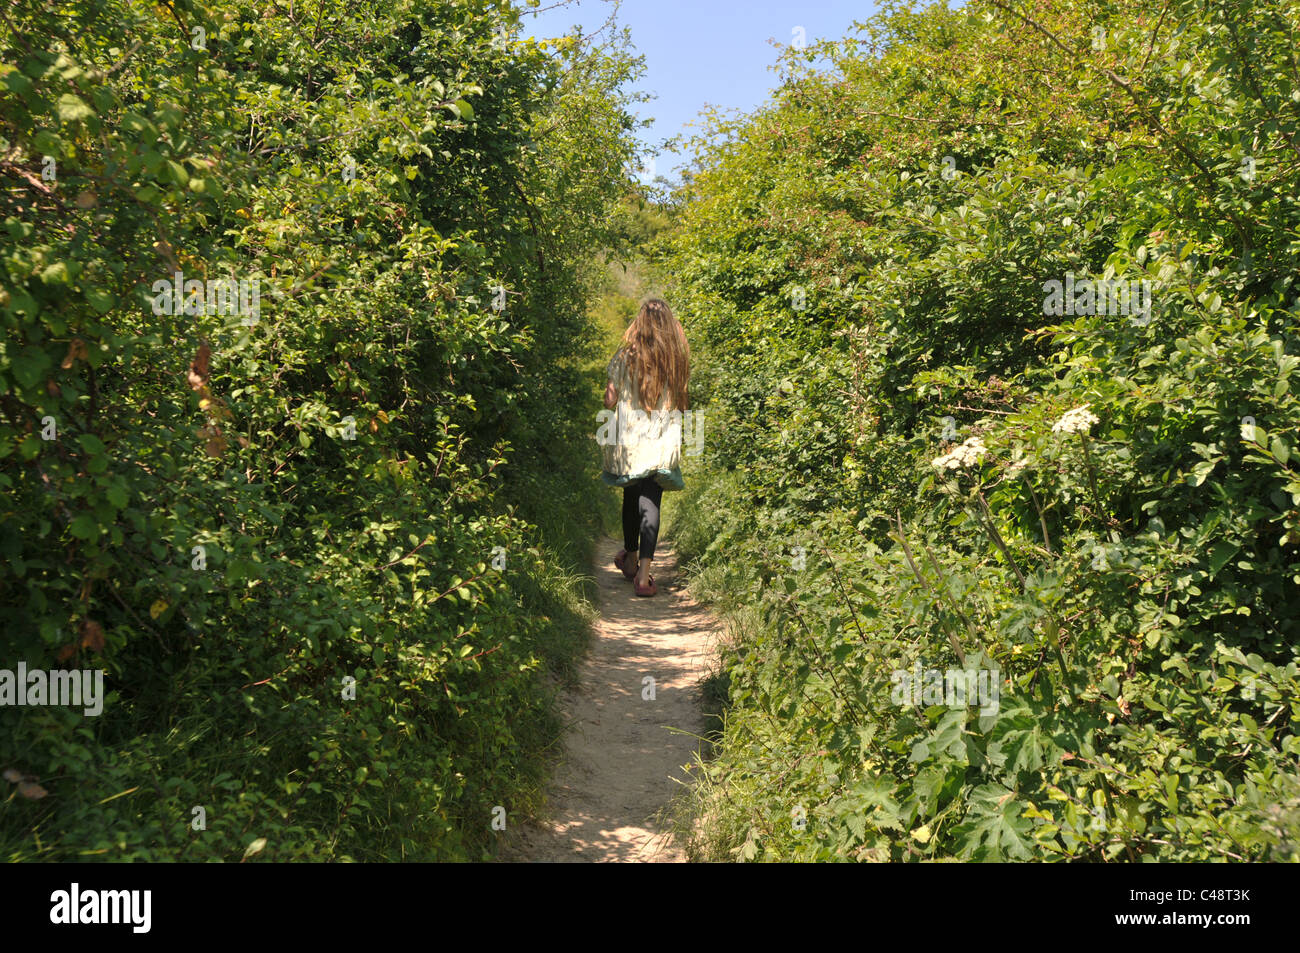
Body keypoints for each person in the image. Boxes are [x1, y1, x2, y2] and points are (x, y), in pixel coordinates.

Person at [600, 299, 690, 597]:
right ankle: (643, 575)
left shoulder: (625, 357)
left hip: (630, 441)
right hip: (661, 439)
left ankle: (631, 558)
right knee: (651, 499)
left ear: (640, 322)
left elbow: (609, 401)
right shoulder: (675, 359)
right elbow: (683, 403)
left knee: (631, 495)